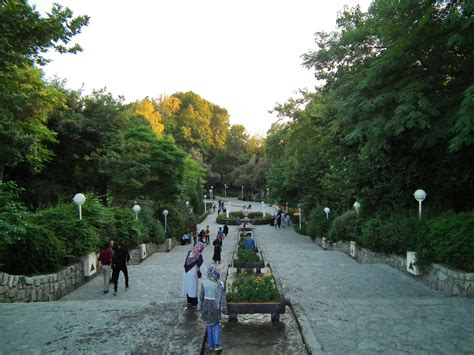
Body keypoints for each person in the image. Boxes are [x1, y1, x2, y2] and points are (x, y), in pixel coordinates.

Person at [198, 264, 226, 352]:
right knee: (216, 325)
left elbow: (201, 297)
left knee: (209, 325)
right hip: (215, 307)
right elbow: (222, 297)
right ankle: (217, 344)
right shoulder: (218, 284)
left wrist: (200, 307)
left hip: (206, 306)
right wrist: (224, 308)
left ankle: (210, 345)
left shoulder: (204, 283)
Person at [182, 243, 205, 308]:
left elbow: (186, 262)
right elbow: (202, 267)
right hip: (191, 273)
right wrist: (209, 275)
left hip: (186, 272)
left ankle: (190, 301)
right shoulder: (198, 255)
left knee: (189, 287)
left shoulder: (191, 252)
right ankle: (193, 302)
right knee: (192, 287)